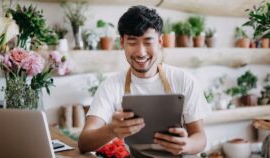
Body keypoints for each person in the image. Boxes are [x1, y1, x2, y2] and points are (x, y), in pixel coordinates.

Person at [78, 5, 210, 155]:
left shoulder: (184, 80)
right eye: (132, 42)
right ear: (122, 42)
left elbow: (200, 137)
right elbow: (84, 143)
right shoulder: (110, 86)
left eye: (148, 42)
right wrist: (111, 129)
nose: (141, 52)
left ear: (160, 42)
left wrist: (186, 145)